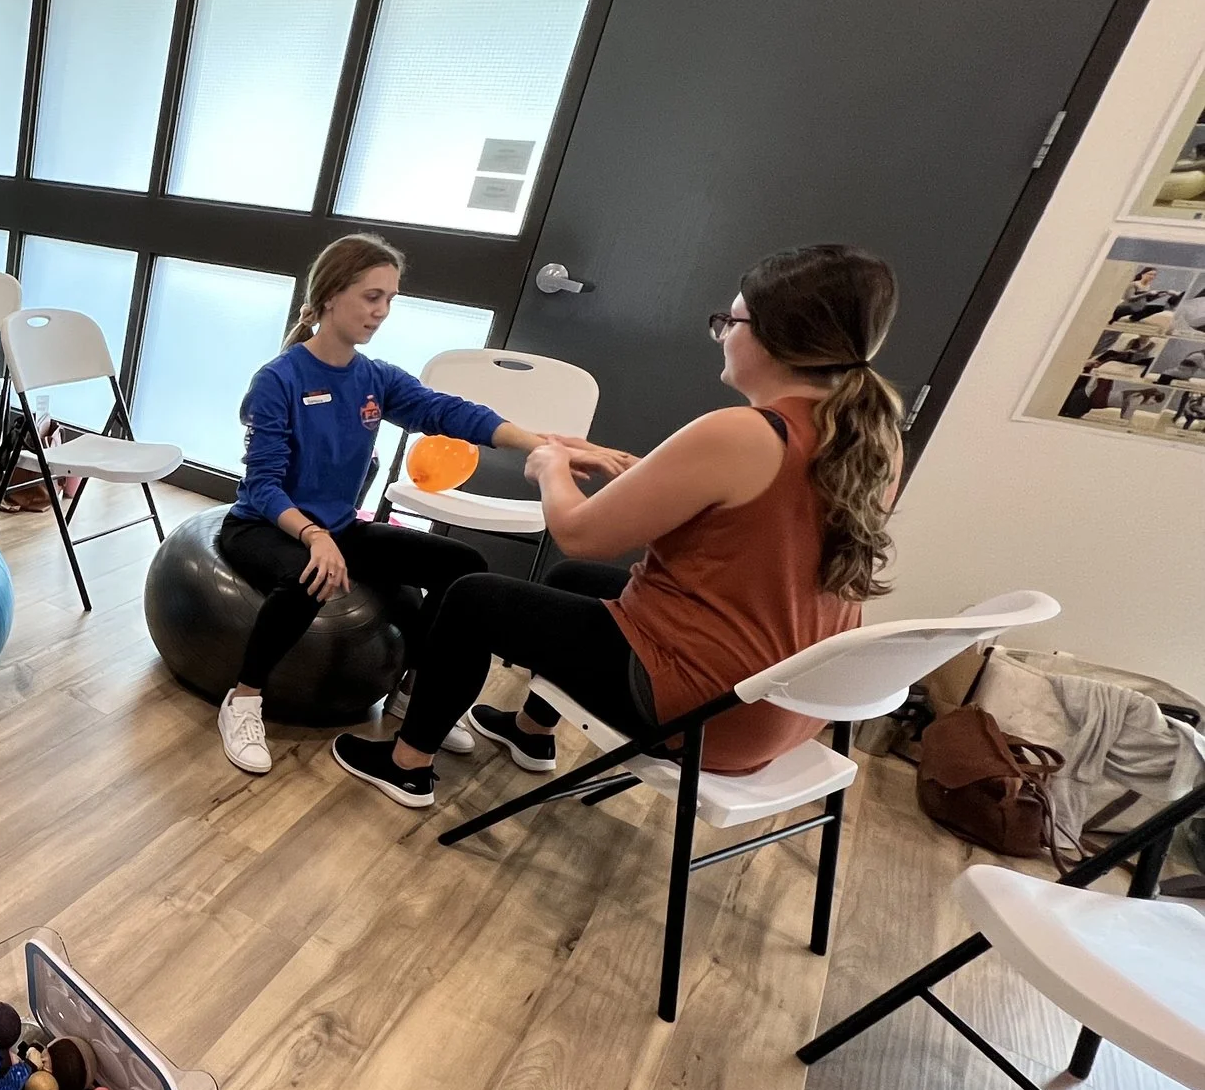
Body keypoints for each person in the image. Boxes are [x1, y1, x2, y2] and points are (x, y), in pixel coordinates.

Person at [331, 244, 905, 809]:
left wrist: (552, 469)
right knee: (575, 580)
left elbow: (579, 529)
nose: (725, 333)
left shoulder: (741, 432)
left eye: (731, 320)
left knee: (472, 598)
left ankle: (407, 765)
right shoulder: (871, 437)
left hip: (704, 710)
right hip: (787, 704)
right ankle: (531, 731)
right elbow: (741, 512)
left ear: (779, 335)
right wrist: (623, 464)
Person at [214, 233, 633, 775]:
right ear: (330, 295)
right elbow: (264, 486)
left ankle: (414, 689)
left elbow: (451, 413)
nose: (382, 311)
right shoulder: (278, 380)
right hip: (265, 526)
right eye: (371, 297)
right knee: (306, 576)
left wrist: (546, 445)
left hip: (340, 527)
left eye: (390, 298)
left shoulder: (374, 378)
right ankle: (244, 699)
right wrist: (315, 537)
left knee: (463, 567)